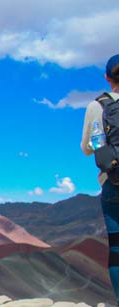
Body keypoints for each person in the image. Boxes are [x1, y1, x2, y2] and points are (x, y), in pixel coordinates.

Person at [80, 53, 119, 304]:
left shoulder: (98, 106)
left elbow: (88, 148)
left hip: (115, 182)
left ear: (107, 78)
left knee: (117, 248)